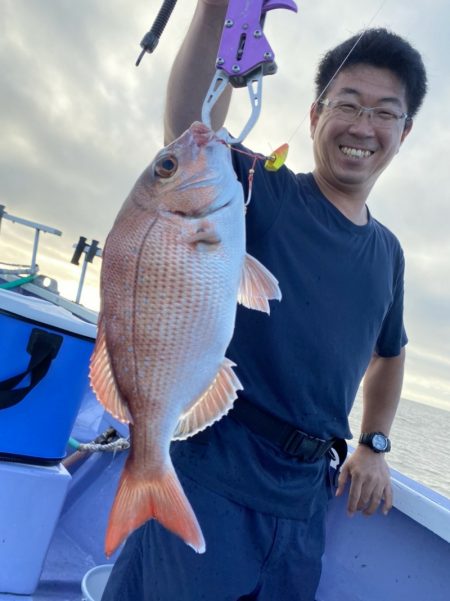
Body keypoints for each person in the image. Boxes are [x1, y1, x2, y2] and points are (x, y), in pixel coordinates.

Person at [102, 1, 427, 599]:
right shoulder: (259, 190)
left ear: (403, 134)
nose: (363, 126)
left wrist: (374, 442)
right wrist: (217, 9)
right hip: (214, 466)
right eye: (348, 104)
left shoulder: (390, 253)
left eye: (384, 113)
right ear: (314, 115)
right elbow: (189, 118)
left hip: (305, 497)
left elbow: (390, 354)